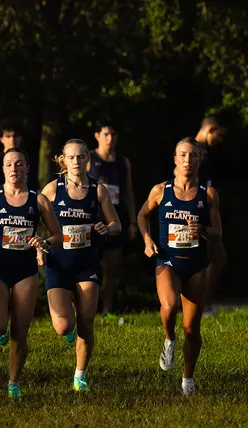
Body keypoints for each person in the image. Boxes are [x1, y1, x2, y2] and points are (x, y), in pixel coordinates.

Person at [0, 148, 61, 399]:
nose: (14, 168)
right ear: (3, 169)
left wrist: (44, 243)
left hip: (25, 271)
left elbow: (58, 235)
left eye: (19, 164)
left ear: (27, 168)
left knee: (20, 333)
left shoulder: (39, 200)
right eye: (9, 164)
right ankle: (1, 333)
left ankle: (13, 383)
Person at [137, 137, 220, 397]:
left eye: (193, 155)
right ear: (175, 159)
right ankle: (169, 339)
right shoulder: (161, 190)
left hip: (196, 265)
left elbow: (218, 233)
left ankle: (187, 379)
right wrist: (147, 240)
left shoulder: (208, 194)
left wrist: (202, 229)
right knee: (170, 305)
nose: (187, 160)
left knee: (192, 329)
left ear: (200, 159)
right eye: (182, 155)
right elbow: (142, 215)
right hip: (167, 261)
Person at [41, 139, 121, 392]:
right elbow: (32, 217)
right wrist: (38, 245)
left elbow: (116, 225)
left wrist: (106, 228)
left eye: (80, 157)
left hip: (87, 263)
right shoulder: (52, 189)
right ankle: (67, 330)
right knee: (63, 326)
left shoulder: (99, 190)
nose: (76, 161)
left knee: (86, 320)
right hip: (58, 262)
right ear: (63, 161)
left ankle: (80, 375)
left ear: (88, 159)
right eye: (71, 157)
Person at [87, 119, 136, 318]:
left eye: (113, 134)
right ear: (97, 136)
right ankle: (85, 309)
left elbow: (128, 192)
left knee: (112, 267)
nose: (110, 138)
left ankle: (107, 310)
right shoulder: (88, 158)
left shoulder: (123, 162)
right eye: (106, 134)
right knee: (87, 266)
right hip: (91, 220)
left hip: (115, 220)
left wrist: (133, 221)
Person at [194, 116, 227, 317]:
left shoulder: (206, 151)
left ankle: (204, 305)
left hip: (207, 210)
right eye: (219, 135)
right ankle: (201, 306)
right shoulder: (193, 150)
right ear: (210, 129)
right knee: (208, 259)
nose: (219, 140)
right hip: (197, 211)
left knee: (217, 258)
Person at [0, 120, 40, 192]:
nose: (12, 139)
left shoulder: (29, 159)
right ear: (1, 139)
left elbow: (34, 187)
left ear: (21, 137)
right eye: (8, 136)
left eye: (15, 136)